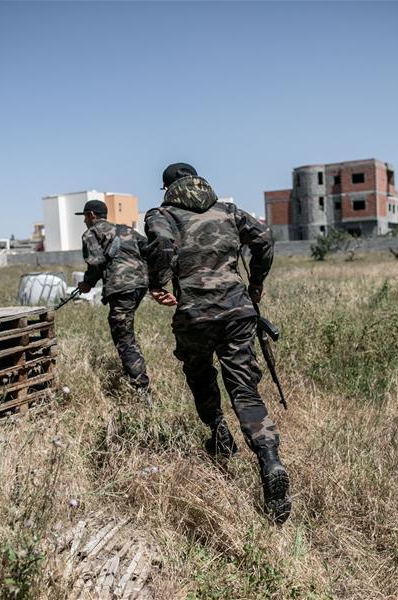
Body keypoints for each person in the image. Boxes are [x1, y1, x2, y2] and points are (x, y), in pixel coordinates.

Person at [144, 162, 291, 523]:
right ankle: (270, 460)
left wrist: (158, 283)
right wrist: (256, 282)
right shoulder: (228, 210)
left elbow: (161, 243)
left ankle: (218, 431)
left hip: (194, 315)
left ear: (167, 189)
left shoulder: (162, 214)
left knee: (199, 374)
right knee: (245, 390)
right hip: (237, 312)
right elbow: (264, 239)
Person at [76, 199, 151, 396]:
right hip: (141, 285)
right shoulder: (126, 230)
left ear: (91, 214)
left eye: (85, 216)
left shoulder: (91, 233)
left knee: (123, 337)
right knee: (125, 329)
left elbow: (96, 262)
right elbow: (149, 249)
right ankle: (138, 377)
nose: (84, 221)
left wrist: (87, 283)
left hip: (121, 288)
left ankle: (141, 389)